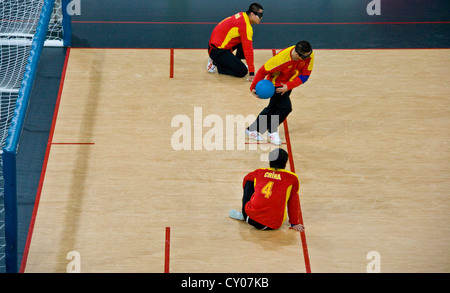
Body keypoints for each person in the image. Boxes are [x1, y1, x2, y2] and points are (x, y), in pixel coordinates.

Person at [245, 40, 314, 145]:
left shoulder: (309, 55)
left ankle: (252, 130)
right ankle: (272, 131)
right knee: (285, 108)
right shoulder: (280, 60)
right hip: (276, 85)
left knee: (272, 108)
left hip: (288, 84)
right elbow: (262, 71)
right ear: (296, 54)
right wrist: (252, 88)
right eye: (304, 57)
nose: (307, 58)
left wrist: (289, 86)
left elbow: (305, 76)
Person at [229, 148, 304, 232]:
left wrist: (254, 196)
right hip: (274, 224)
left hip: (250, 218)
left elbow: (246, 180)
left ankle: (244, 213)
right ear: (286, 162)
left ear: (269, 160)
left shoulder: (259, 172)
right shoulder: (292, 178)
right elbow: (293, 201)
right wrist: (294, 223)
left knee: (250, 180)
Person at [207, 3, 264, 81]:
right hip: (216, 50)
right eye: (260, 16)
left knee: (243, 41)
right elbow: (248, 50)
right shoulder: (245, 26)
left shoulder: (242, 15)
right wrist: (251, 73)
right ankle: (216, 63)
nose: (261, 18)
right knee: (242, 72)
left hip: (215, 44)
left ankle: (234, 63)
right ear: (252, 14)